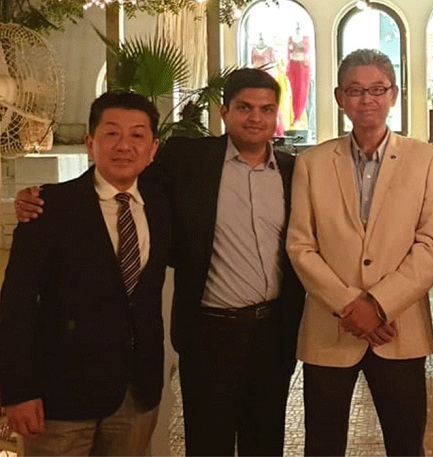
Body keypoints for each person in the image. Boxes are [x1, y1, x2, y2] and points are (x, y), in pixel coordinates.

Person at [14, 69, 305, 456]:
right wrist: (42, 197)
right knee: (208, 443)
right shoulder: (188, 160)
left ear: (276, 115)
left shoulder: (294, 171)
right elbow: (119, 171)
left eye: (266, 109)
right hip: (208, 332)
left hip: (272, 331)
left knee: (266, 440)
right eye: (244, 108)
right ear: (224, 112)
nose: (255, 118)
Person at [286, 49, 433, 456]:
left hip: (399, 327)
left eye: (377, 89)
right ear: (340, 97)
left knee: (406, 445)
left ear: (393, 94)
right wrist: (350, 306)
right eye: (355, 90)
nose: (366, 99)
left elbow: (429, 244)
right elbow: (300, 245)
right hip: (330, 326)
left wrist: (379, 305)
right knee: (322, 446)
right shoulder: (312, 162)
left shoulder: (424, 158)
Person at [0, 92, 170, 456]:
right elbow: (16, 304)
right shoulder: (47, 207)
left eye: (137, 135)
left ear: (153, 149)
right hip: (60, 397)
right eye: (112, 133)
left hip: (136, 392)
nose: (124, 145)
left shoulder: (162, 206)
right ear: (90, 143)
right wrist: (17, 391)